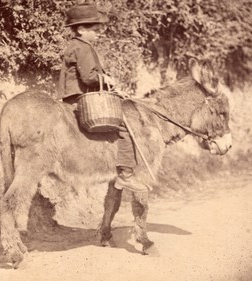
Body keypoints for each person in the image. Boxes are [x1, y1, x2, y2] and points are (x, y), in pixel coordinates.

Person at [58, 3, 152, 248]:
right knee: (123, 127)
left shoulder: (76, 45)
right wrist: (107, 79)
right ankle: (125, 174)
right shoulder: (83, 47)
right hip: (81, 98)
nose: (99, 33)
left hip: (72, 96)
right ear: (82, 29)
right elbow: (89, 77)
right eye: (95, 29)